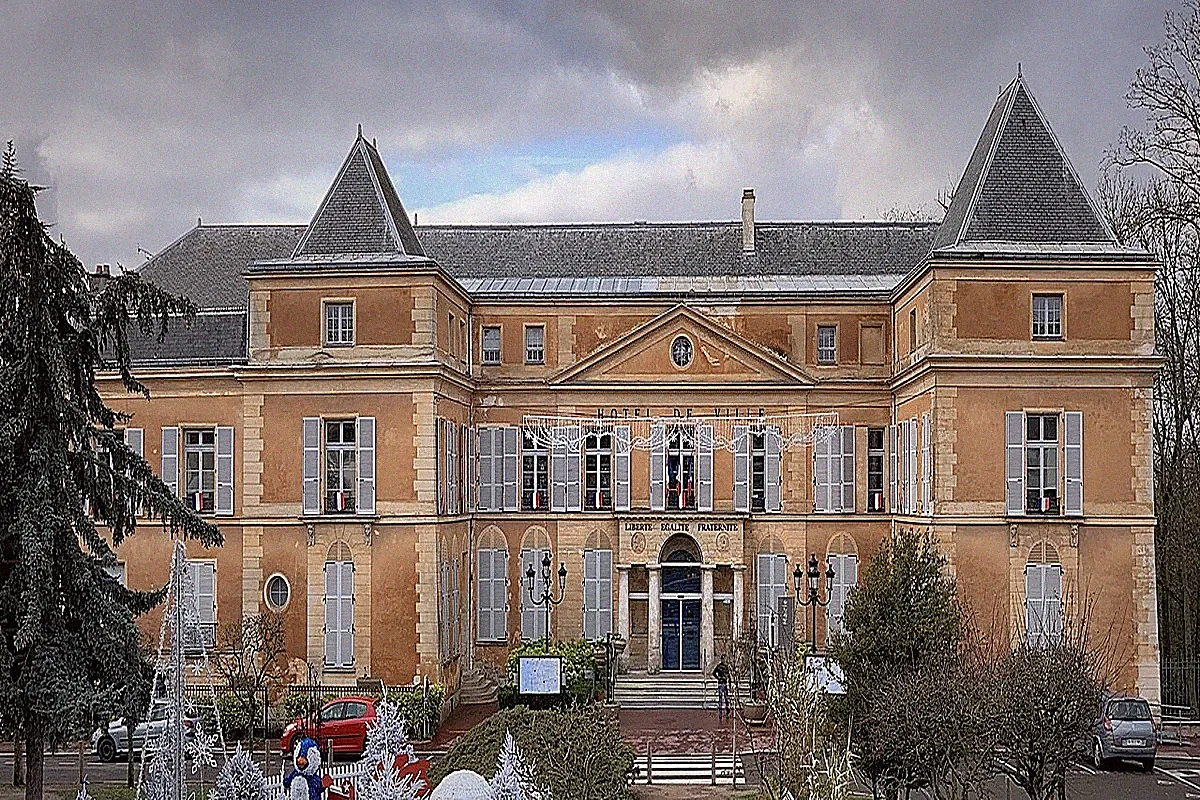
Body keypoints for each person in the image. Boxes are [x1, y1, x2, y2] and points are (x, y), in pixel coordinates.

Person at [713, 654, 732, 719]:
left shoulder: (726, 667)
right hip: (720, 684)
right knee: (720, 698)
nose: (724, 660)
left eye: (725, 659)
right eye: (723, 659)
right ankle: (720, 712)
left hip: (725, 683)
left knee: (726, 698)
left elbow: (729, 675)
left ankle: (727, 710)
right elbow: (714, 673)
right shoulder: (718, 666)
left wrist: (729, 683)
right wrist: (718, 678)